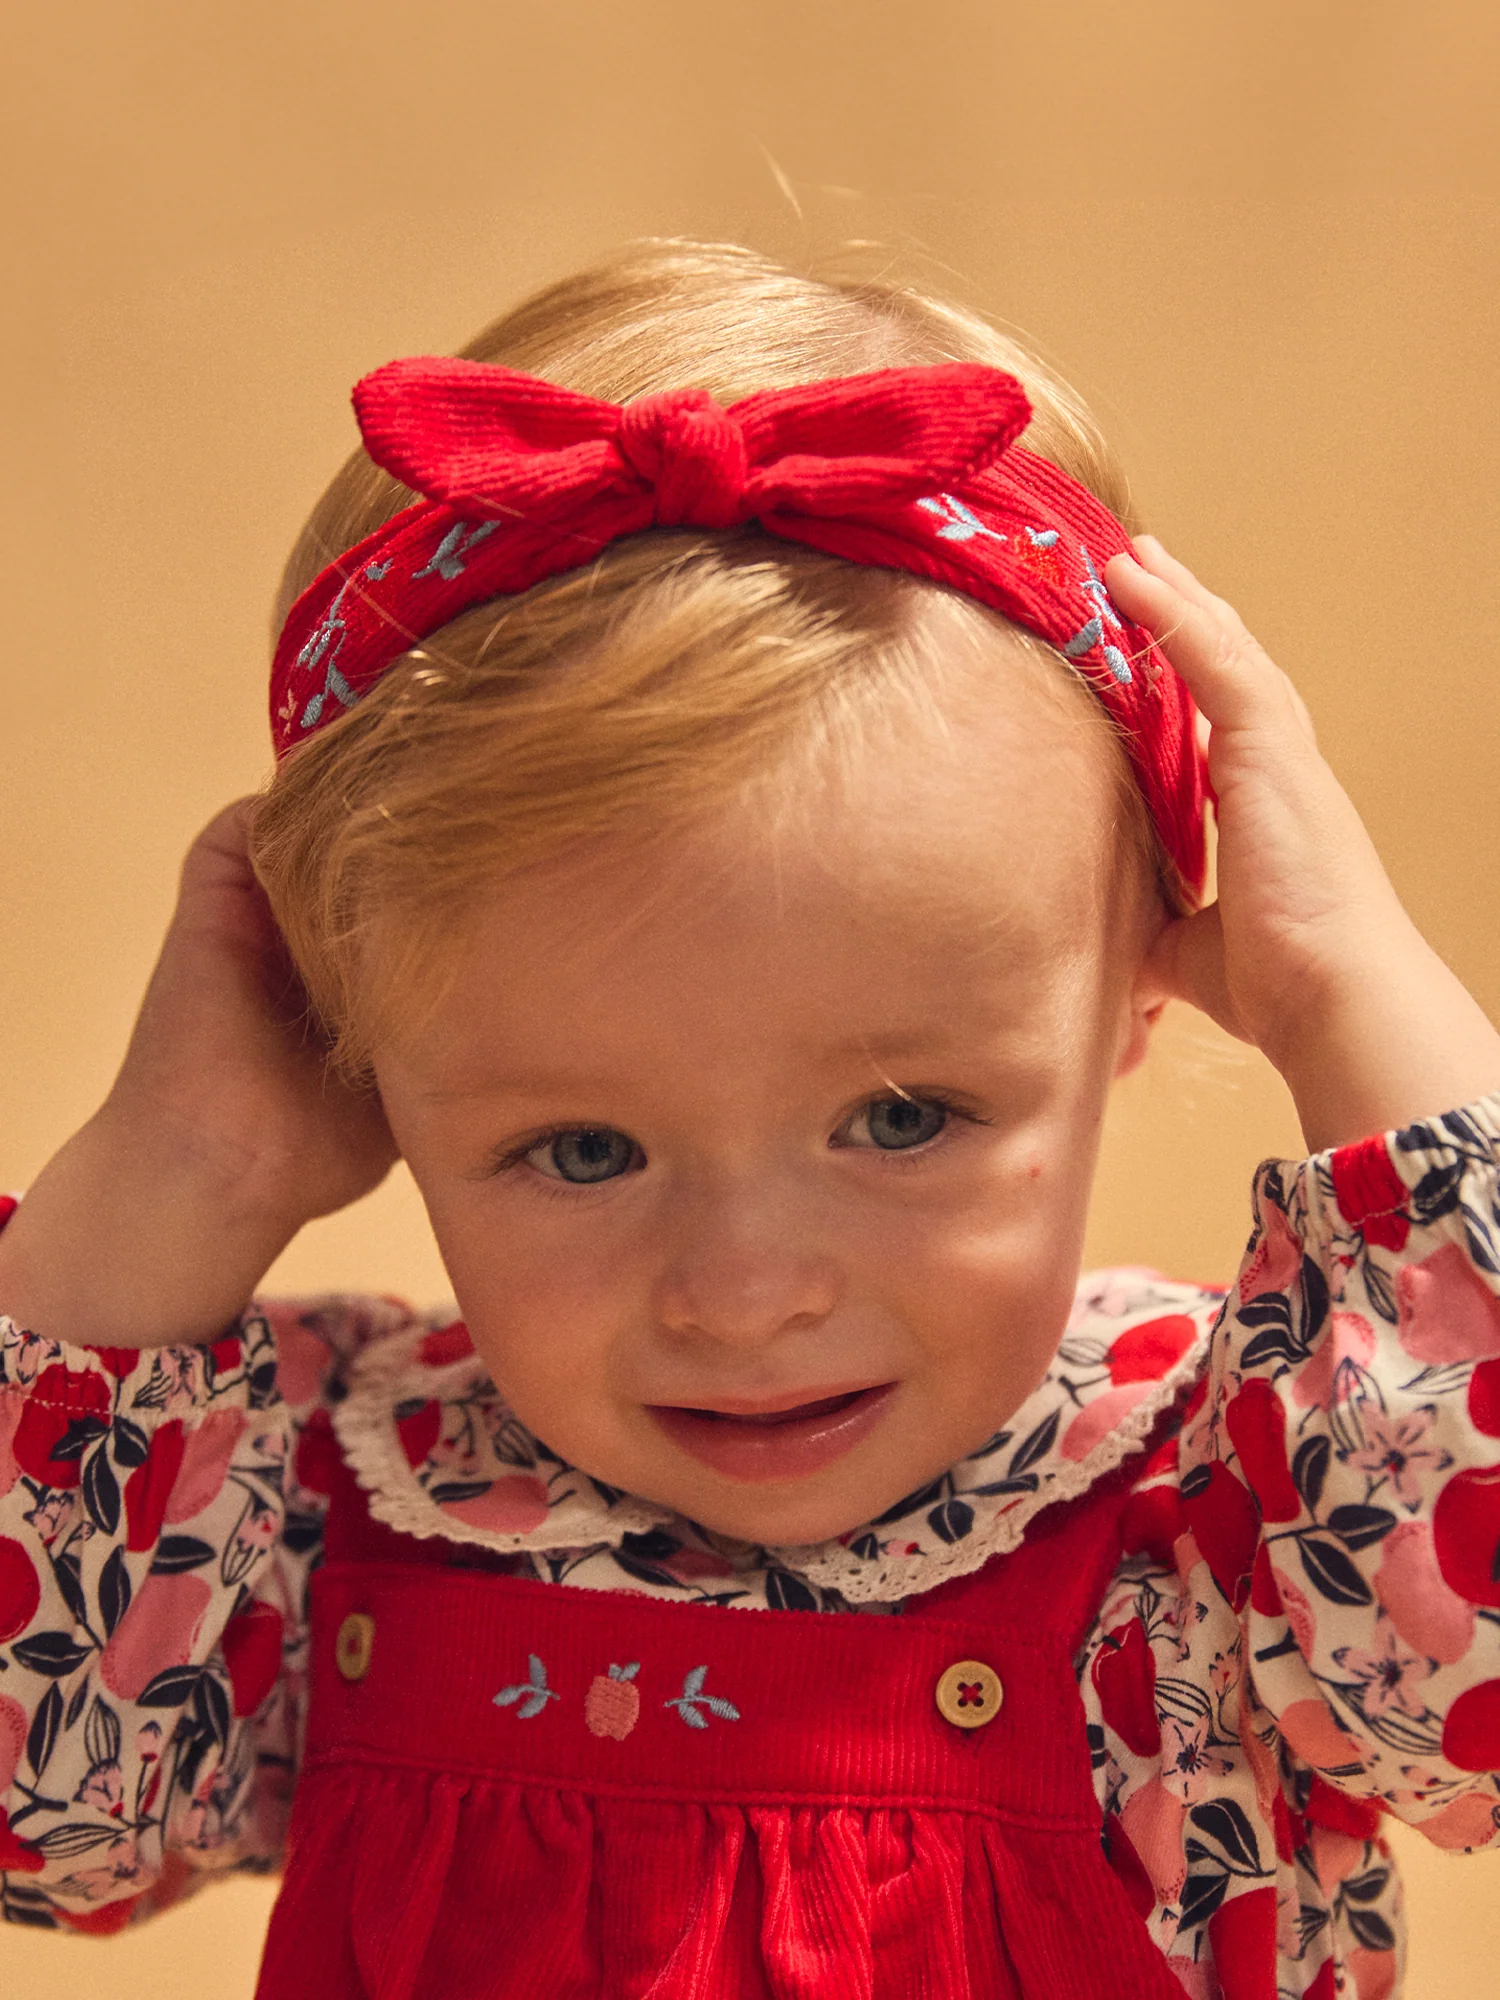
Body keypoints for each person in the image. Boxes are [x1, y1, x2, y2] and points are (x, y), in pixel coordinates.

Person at [0, 241, 1497, 2000]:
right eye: (584, 1151)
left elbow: (1467, 1696)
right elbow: (44, 1825)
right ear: (358, 1065)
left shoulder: (1235, 1496)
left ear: (1139, 990)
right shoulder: (342, 1491)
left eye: (903, 1117)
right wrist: (184, 1168)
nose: (746, 1292)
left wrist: (1357, 1007)